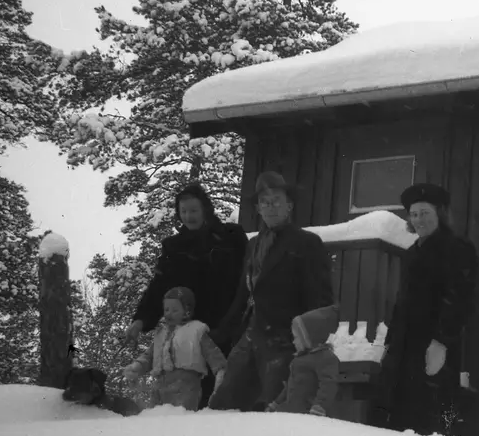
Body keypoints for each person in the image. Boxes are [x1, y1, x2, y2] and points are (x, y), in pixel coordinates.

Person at [208, 171, 337, 412]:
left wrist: (311, 338)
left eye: (277, 200)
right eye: (265, 202)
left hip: (285, 339)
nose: (271, 206)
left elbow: (321, 298)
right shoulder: (255, 244)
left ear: (289, 205)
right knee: (224, 403)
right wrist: (222, 330)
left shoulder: (306, 243)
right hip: (251, 333)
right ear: (258, 208)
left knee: (275, 406)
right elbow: (244, 293)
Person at [125, 182, 248, 409]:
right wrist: (140, 319)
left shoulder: (231, 237)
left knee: (221, 395)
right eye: (183, 211)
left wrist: (233, 322)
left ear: (205, 209)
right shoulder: (174, 247)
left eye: (193, 210)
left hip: (226, 326)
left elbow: (245, 281)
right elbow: (158, 286)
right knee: (186, 400)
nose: (188, 216)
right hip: (188, 334)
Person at [378, 182, 479, 436]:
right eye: (414, 214)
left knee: (433, 416)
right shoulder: (412, 252)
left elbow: (459, 299)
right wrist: (390, 343)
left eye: (425, 213)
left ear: (439, 214)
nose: (419, 220)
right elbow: (403, 301)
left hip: (434, 344)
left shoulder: (457, 249)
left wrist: (441, 342)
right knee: (400, 415)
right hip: (404, 346)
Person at [122, 287, 227, 410]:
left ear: (187, 311)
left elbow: (212, 353)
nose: (168, 314)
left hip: (185, 387)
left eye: (174, 310)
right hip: (159, 388)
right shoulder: (161, 334)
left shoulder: (196, 331)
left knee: (181, 419)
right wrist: (137, 368)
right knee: (156, 419)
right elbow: (149, 357)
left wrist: (220, 370)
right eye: (166, 309)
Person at [266, 304, 341, 416]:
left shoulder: (325, 358)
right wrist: (276, 403)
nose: (293, 342)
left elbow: (328, 384)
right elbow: (290, 387)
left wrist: (319, 406)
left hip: (310, 414)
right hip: (293, 412)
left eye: (296, 338)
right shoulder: (298, 359)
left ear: (309, 338)